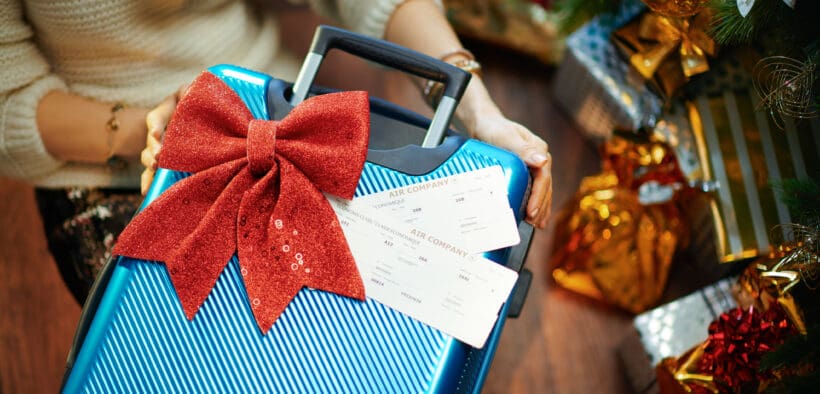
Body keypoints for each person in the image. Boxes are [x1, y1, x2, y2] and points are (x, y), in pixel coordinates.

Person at [0, 0, 552, 304]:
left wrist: (479, 110)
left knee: (351, 330)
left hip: (275, 120)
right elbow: (8, 100)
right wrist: (150, 130)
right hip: (104, 156)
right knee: (171, 348)